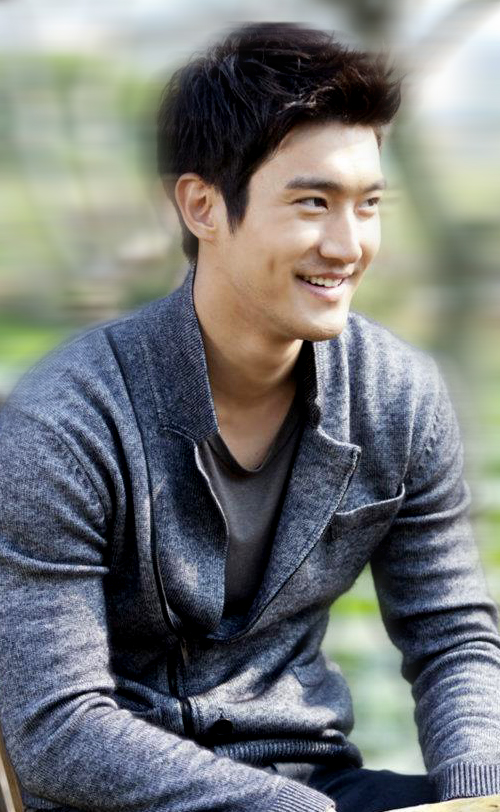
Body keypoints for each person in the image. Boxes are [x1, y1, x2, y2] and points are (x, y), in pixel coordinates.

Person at [1, 22, 500, 812]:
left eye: (368, 204)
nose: (348, 246)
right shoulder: (62, 423)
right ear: (202, 206)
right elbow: (57, 729)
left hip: (318, 781)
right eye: (313, 203)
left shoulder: (398, 396)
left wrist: (477, 801)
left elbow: (453, 636)